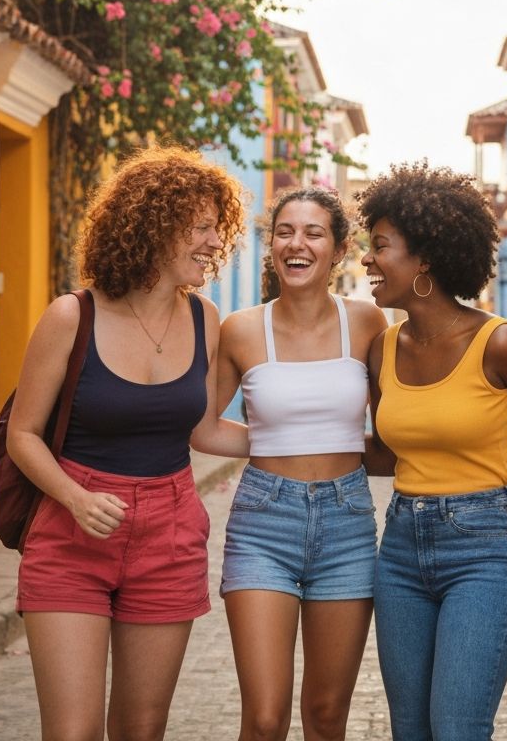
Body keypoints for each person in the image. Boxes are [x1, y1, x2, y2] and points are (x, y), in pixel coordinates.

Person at [7, 145, 250, 741]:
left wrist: (303, 437)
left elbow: (202, 429)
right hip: (72, 532)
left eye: (217, 229)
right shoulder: (72, 316)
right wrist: (73, 496)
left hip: (169, 533)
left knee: (142, 730)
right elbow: (23, 434)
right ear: (153, 227)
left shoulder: (205, 319)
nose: (215, 243)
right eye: (200, 228)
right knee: (72, 732)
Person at [356, 162, 507, 741]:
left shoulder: (499, 343)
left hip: (485, 551)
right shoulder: (381, 350)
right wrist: (294, 449)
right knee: (411, 731)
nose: (366, 260)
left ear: (426, 261)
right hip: (402, 549)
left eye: (380, 246)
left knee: (457, 727)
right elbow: (386, 454)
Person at [216, 186, 388, 741]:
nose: (298, 243)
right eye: (285, 232)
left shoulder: (367, 323)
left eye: (314, 233)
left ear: (337, 249)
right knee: (264, 720)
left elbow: (392, 429)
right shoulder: (241, 329)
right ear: (272, 248)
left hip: (347, 525)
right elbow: (201, 426)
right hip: (264, 521)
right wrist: (277, 441)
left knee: (326, 714)